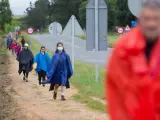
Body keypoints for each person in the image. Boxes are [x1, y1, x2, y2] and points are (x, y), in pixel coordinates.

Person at [106, 1, 160, 120]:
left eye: (155, 19)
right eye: (147, 18)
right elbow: (116, 94)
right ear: (140, 20)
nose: (151, 23)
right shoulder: (123, 49)